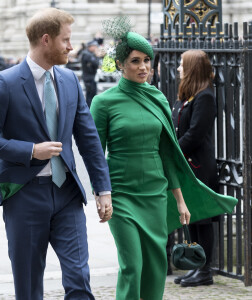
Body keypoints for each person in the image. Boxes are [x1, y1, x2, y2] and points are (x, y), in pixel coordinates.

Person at [90, 16, 237, 300]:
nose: (143, 66)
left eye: (147, 60)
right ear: (120, 64)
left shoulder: (157, 97)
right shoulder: (104, 102)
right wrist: (101, 192)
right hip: (121, 194)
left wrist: (180, 199)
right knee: (132, 264)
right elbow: (96, 152)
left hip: (155, 194)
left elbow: (168, 152)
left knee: (156, 265)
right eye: (135, 61)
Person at [0, 8, 112, 300]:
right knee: (29, 287)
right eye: (66, 40)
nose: (71, 46)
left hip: (67, 195)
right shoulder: (5, 83)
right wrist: (30, 151)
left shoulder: (70, 80)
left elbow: (88, 140)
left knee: (79, 282)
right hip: (24, 196)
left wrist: (103, 188)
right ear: (46, 40)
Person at [172, 49, 218, 287]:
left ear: (191, 68)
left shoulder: (205, 97)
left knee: (202, 220)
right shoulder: (189, 95)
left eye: (182, 64)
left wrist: (173, 153)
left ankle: (205, 270)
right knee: (191, 219)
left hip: (199, 166)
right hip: (187, 166)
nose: (179, 68)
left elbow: (195, 134)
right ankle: (195, 267)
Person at [81, 40, 100, 107]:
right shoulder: (87, 54)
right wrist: (97, 56)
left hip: (90, 77)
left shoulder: (88, 54)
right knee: (90, 97)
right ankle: (90, 111)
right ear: (90, 47)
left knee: (91, 95)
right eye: (94, 46)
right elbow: (96, 64)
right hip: (89, 78)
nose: (95, 48)